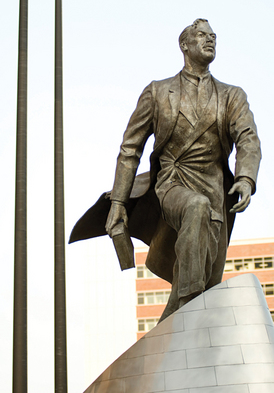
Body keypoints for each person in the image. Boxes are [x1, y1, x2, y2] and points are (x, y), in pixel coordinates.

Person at [70, 19, 261, 322]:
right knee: (195, 208)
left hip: (215, 188)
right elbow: (130, 149)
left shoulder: (232, 95)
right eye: (202, 35)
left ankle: (175, 321)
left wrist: (246, 177)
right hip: (172, 182)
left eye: (213, 36)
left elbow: (248, 138)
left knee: (209, 280)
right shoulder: (158, 92)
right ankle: (182, 310)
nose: (210, 39)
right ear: (185, 45)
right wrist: (118, 203)